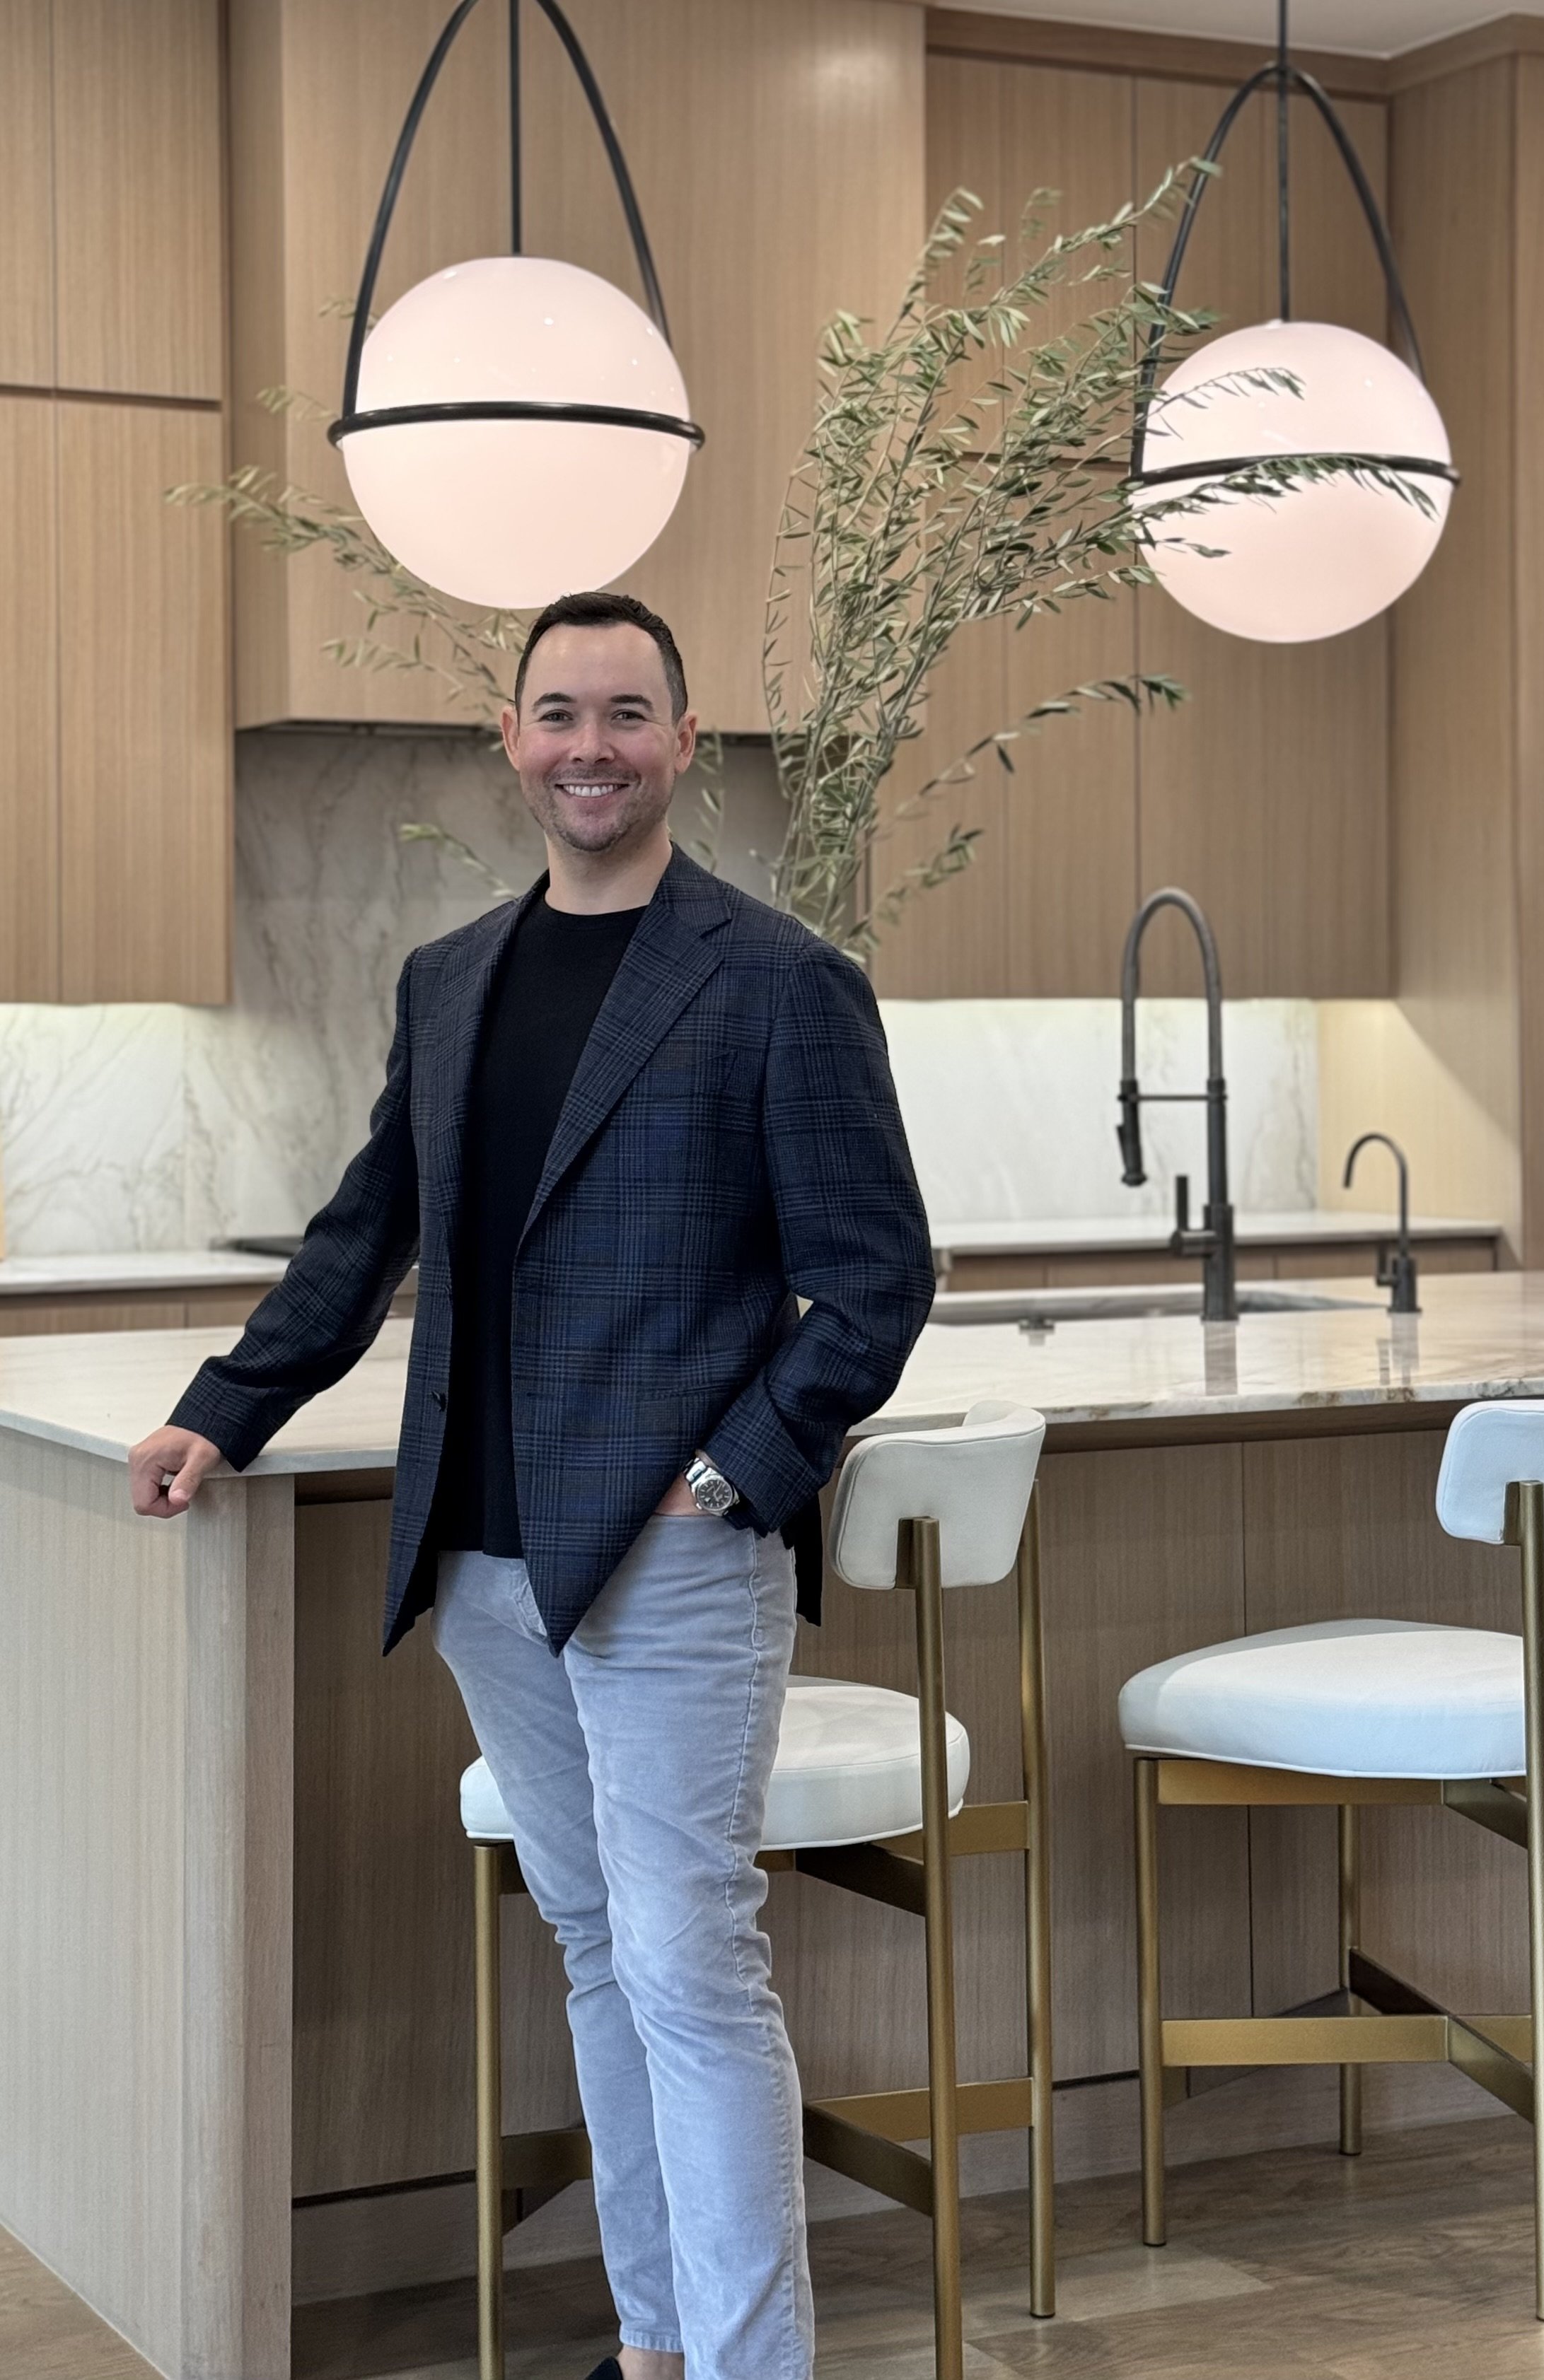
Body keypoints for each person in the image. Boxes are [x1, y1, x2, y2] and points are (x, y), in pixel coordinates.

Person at [128, 590, 937, 2380]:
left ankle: (747, 2364)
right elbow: (367, 1236)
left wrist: (730, 1475)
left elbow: (876, 1277)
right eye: (558, 713)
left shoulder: (778, 982)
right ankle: (655, 2344)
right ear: (511, 740)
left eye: (626, 715)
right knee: (595, 1953)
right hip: (483, 1557)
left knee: (688, 1966)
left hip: (669, 1561)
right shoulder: (451, 980)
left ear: (682, 742)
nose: (590, 746)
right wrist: (226, 1408)